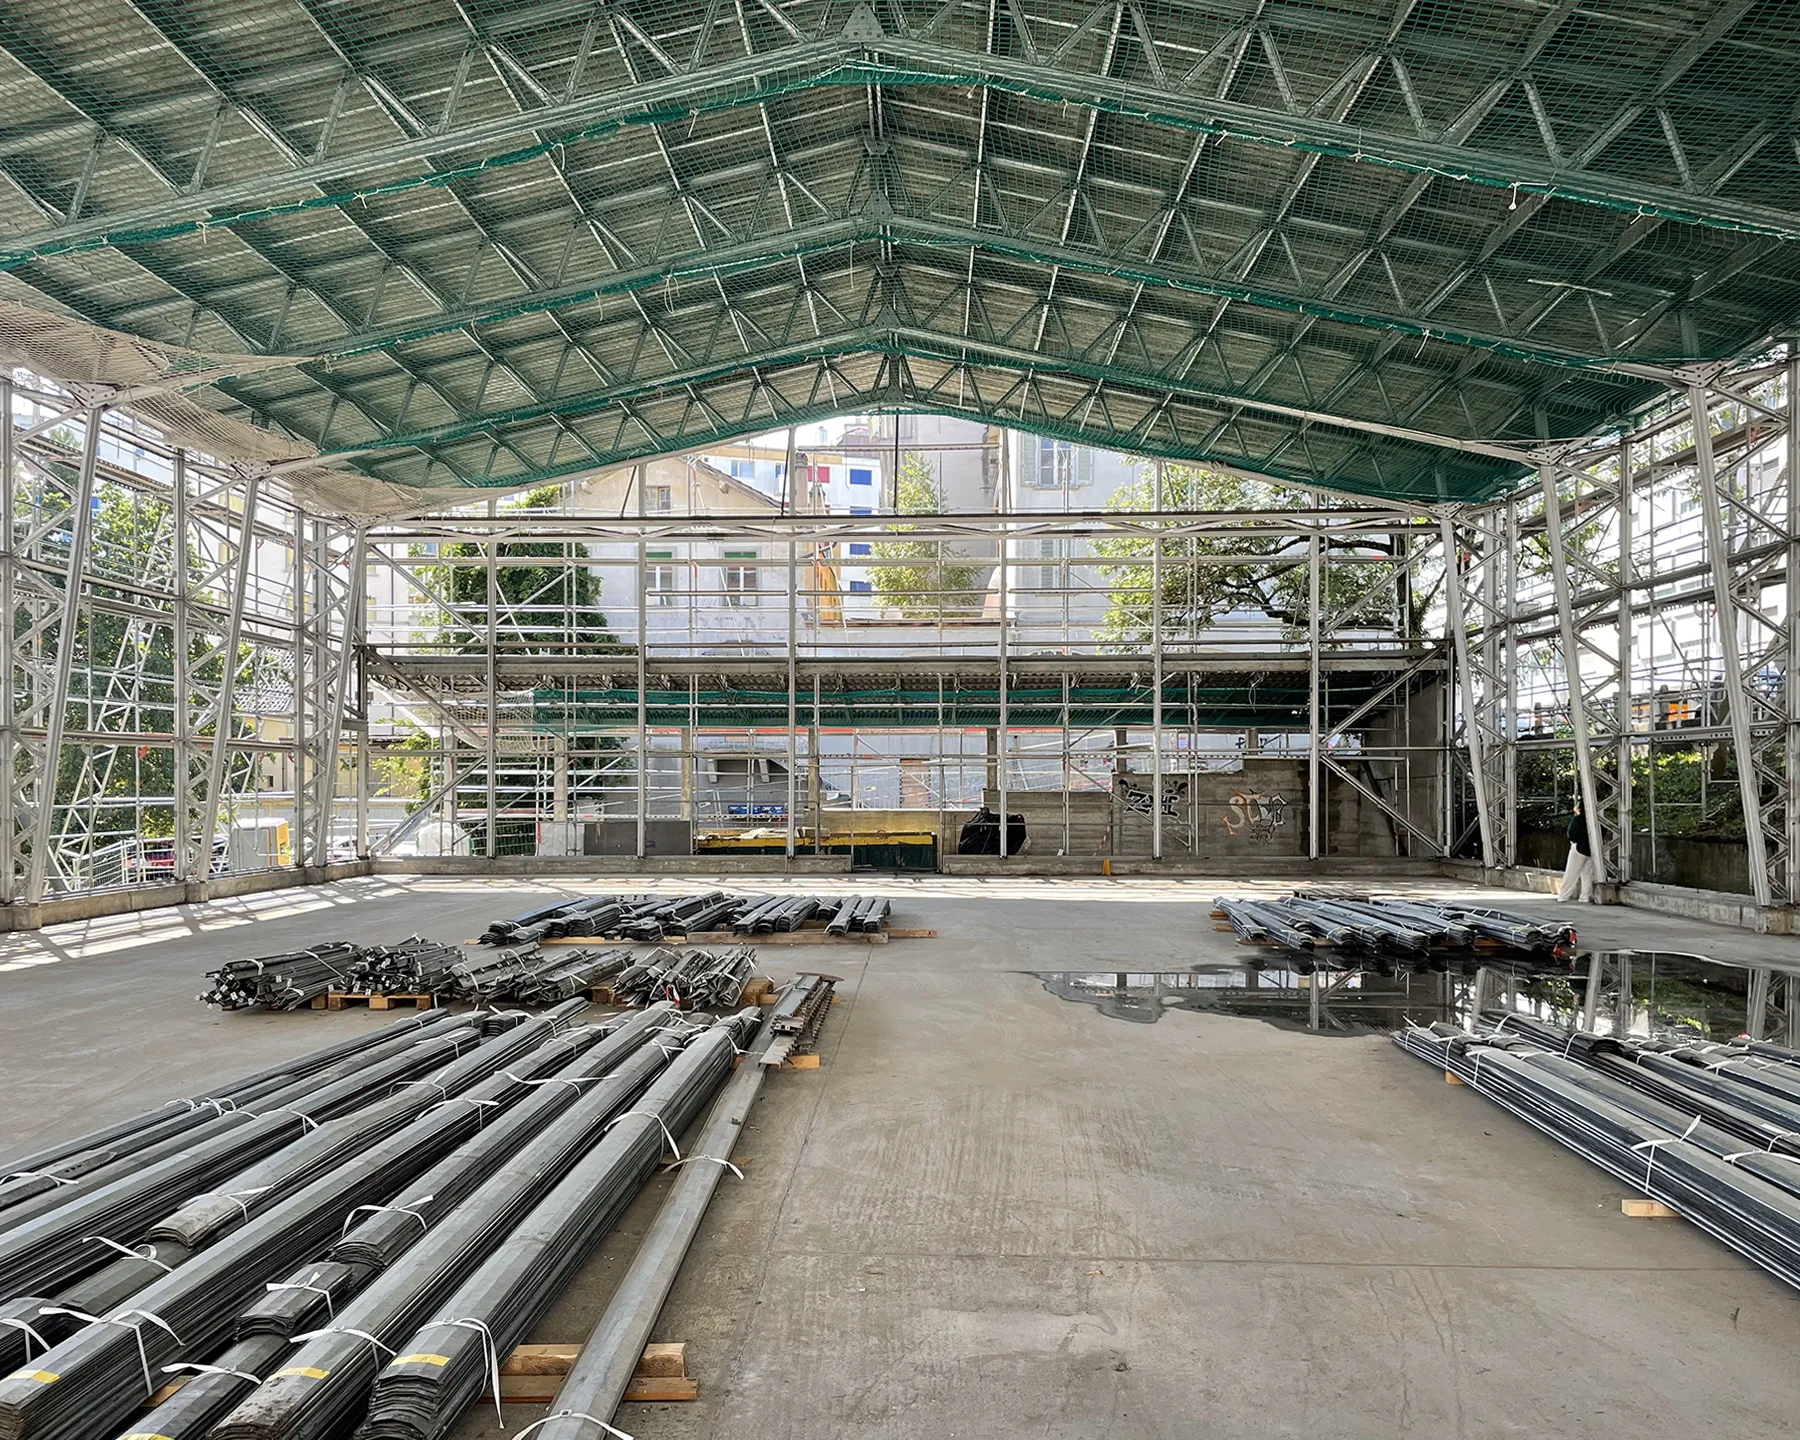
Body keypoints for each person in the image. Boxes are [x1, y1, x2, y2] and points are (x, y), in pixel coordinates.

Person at [1559, 798, 1596, 903]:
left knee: (1571, 872)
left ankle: (1563, 896)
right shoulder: (1594, 819)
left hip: (1578, 847)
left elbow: (1570, 834)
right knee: (1587, 874)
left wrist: (1573, 841)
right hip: (1591, 849)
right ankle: (1585, 897)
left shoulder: (1578, 819)